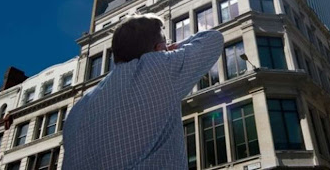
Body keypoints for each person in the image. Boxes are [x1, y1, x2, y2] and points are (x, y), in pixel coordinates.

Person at [62, 14, 224, 169]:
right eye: (165, 43)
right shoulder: (157, 69)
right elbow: (213, 38)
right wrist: (171, 49)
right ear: (159, 49)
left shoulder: (77, 109)